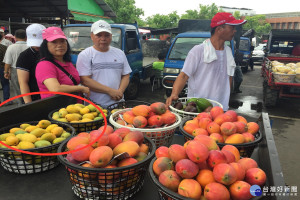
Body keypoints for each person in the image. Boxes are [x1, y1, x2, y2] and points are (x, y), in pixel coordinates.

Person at [166, 12, 247, 111]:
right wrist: (174, 94)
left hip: (220, 109)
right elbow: (183, 75)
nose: (234, 31)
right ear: (219, 29)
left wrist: (226, 100)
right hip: (198, 109)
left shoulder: (228, 51)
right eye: (232, 28)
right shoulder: (198, 51)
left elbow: (228, 78)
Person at [76, 20, 132, 108]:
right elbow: (85, 80)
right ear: (92, 36)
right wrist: (110, 91)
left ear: (111, 36)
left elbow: (126, 75)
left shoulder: (120, 53)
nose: (103, 39)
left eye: (107, 35)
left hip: (118, 103)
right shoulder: (85, 55)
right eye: (98, 35)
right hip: (94, 106)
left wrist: (120, 91)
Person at [35, 27, 89, 99]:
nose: (60, 45)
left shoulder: (67, 62)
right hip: (56, 108)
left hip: (74, 107)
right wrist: (81, 89)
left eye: (62, 41)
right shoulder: (44, 65)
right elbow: (55, 89)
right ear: (45, 45)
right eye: (54, 42)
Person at [16, 24, 46, 103]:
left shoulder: (50, 53)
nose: (37, 46)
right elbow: (23, 83)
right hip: (34, 98)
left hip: (50, 96)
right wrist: (29, 104)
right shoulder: (24, 56)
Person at [3, 29, 28, 105]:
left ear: (15, 37)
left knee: (17, 89)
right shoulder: (30, 46)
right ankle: (29, 103)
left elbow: (8, 62)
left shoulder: (11, 47)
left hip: (15, 71)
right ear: (26, 37)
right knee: (28, 87)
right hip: (29, 70)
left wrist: (6, 72)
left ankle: (20, 105)